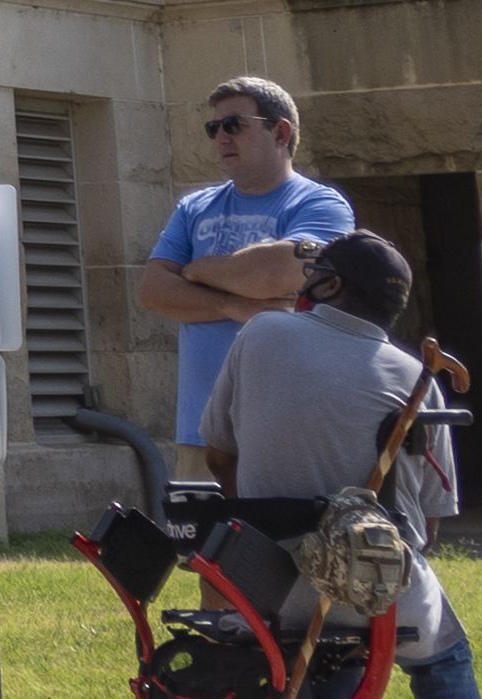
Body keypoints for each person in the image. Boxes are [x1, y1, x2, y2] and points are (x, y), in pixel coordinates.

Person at [202, 231, 482, 699]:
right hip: (377, 586)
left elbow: (219, 453)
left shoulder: (260, 334)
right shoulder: (411, 376)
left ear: (332, 286)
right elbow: (432, 519)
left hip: (271, 582)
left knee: (302, 659)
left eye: (314, 273)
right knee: (443, 655)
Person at [143, 74, 353, 447]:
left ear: (280, 132)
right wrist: (232, 303)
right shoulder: (194, 207)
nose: (222, 137)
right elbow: (154, 291)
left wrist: (195, 270)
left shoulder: (319, 204)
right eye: (214, 127)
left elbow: (281, 273)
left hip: (286, 430)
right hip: (202, 433)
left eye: (234, 125)